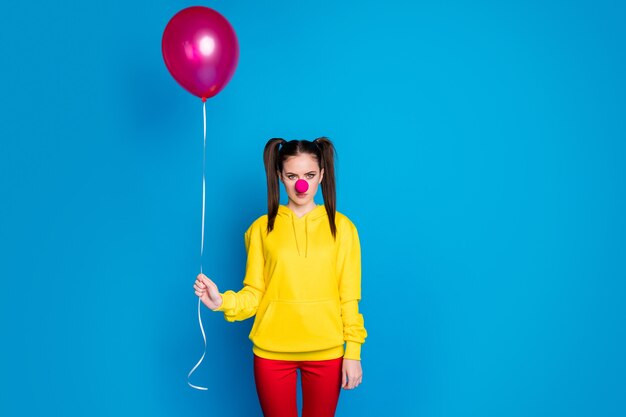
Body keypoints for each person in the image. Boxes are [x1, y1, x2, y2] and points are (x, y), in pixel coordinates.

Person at [193, 137, 367, 417]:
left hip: (326, 352)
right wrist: (220, 302)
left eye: (310, 175)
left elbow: (349, 298)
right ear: (279, 176)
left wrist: (353, 352)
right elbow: (255, 294)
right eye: (292, 176)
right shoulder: (261, 230)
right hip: (272, 353)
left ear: (322, 175)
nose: (302, 184)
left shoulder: (343, 229)